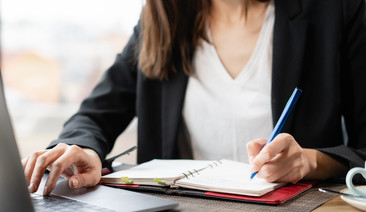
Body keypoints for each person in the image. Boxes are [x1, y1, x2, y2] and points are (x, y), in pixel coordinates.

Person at [22, 0, 366, 196]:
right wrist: (83, 149)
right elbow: (96, 114)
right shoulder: (165, 17)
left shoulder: (338, 11)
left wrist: (309, 162)